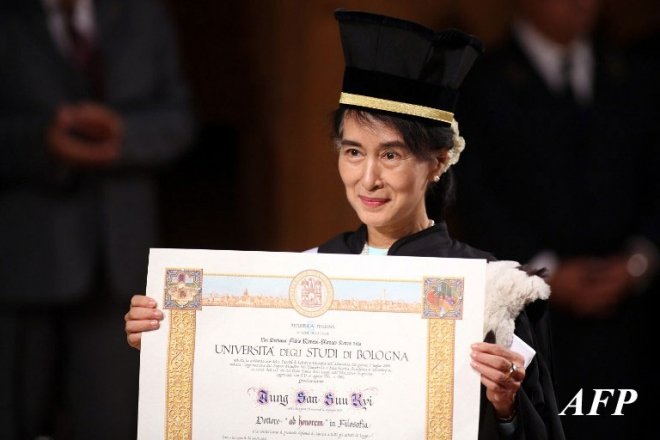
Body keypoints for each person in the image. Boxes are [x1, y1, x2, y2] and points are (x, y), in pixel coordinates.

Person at [125, 10, 564, 440]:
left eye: (390, 155)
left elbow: (539, 426)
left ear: (438, 162)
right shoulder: (305, 273)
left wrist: (506, 406)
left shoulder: (492, 291)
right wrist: (166, 343)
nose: (367, 178)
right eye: (353, 152)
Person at [453, 0, 659, 438]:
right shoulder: (481, 83)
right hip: (534, 329)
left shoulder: (634, 72)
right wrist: (546, 273)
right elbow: (475, 197)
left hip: (633, 323)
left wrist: (640, 259)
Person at [0, 0, 193, 439]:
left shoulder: (142, 14)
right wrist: (41, 144)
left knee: (113, 422)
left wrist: (121, 137)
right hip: (20, 265)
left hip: (118, 266)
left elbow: (178, 119)